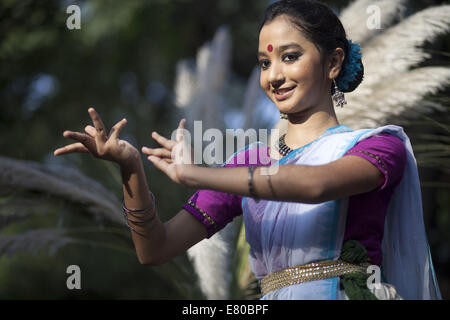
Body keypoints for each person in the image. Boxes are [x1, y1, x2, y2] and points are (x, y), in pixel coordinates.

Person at [54, 0, 441, 300]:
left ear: (333, 62)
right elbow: (155, 248)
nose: (273, 76)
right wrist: (131, 169)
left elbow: (314, 185)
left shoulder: (378, 146)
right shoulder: (250, 163)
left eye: (289, 57)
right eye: (264, 62)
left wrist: (193, 173)